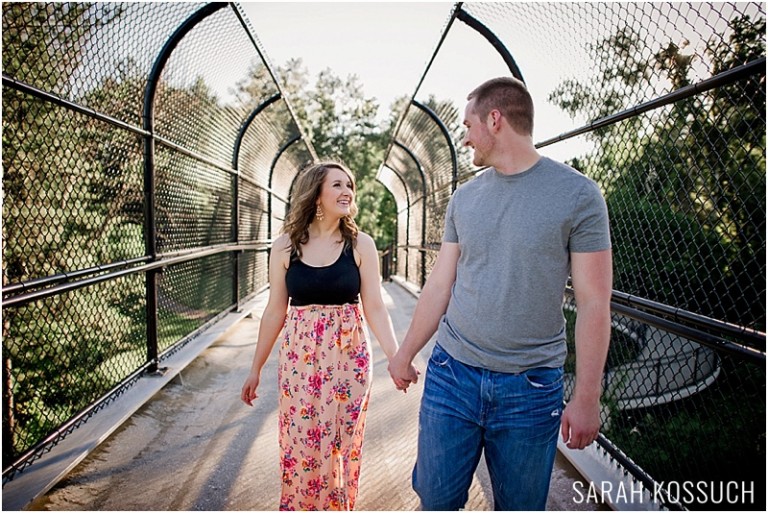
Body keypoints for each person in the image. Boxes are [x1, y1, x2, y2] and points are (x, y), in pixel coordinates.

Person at [388, 77, 613, 510]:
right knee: (435, 499)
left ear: (495, 120)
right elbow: (439, 284)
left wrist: (587, 397)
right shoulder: (464, 199)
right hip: (452, 375)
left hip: (530, 388)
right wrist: (404, 353)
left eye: (469, 124)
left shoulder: (579, 195)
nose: (465, 135)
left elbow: (593, 302)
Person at [241, 161, 414, 511]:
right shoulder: (285, 246)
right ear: (316, 193)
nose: (347, 191)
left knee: (341, 440)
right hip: (299, 358)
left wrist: (397, 358)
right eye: (337, 185)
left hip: (349, 355)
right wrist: (255, 367)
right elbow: (275, 310)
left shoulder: (360, 244)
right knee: (303, 440)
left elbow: (376, 307)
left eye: (349, 185)